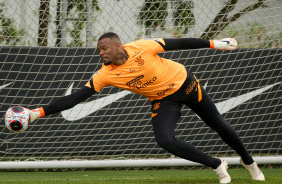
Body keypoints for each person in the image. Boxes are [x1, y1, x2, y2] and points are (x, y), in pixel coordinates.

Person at [26, 32, 264, 183]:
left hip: (187, 84)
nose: (101, 53)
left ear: (118, 46)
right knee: (165, 140)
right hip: (163, 101)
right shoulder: (105, 75)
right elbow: (75, 98)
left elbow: (178, 43)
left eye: (104, 48)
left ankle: (248, 162)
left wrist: (215, 44)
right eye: (99, 50)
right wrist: (38, 112)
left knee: (219, 125)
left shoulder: (142, 46)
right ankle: (217, 164)